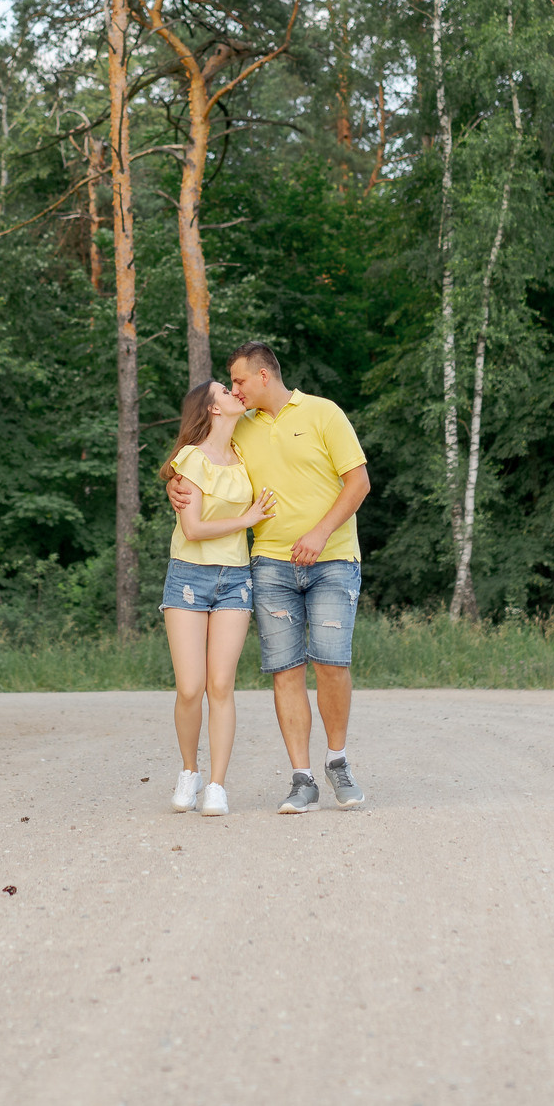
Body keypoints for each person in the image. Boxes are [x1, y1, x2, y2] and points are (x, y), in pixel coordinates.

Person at [169, 341, 370, 814]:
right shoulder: (242, 428)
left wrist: (320, 533)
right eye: (229, 386)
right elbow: (202, 458)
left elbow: (358, 482)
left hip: (333, 558)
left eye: (238, 380)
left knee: (331, 664)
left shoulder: (323, 413)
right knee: (285, 670)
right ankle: (302, 779)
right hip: (269, 563)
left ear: (262, 376)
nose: (234, 389)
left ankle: (337, 762)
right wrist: (175, 485)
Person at [156, 379, 276, 818]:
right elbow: (192, 530)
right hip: (189, 575)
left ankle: (216, 785)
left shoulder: (244, 455)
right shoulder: (191, 458)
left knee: (221, 686)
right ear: (212, 409)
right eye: (225, 391)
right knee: (191, 688)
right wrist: (247, 519)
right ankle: (189, 771)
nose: (234, 393)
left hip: (235, 578)